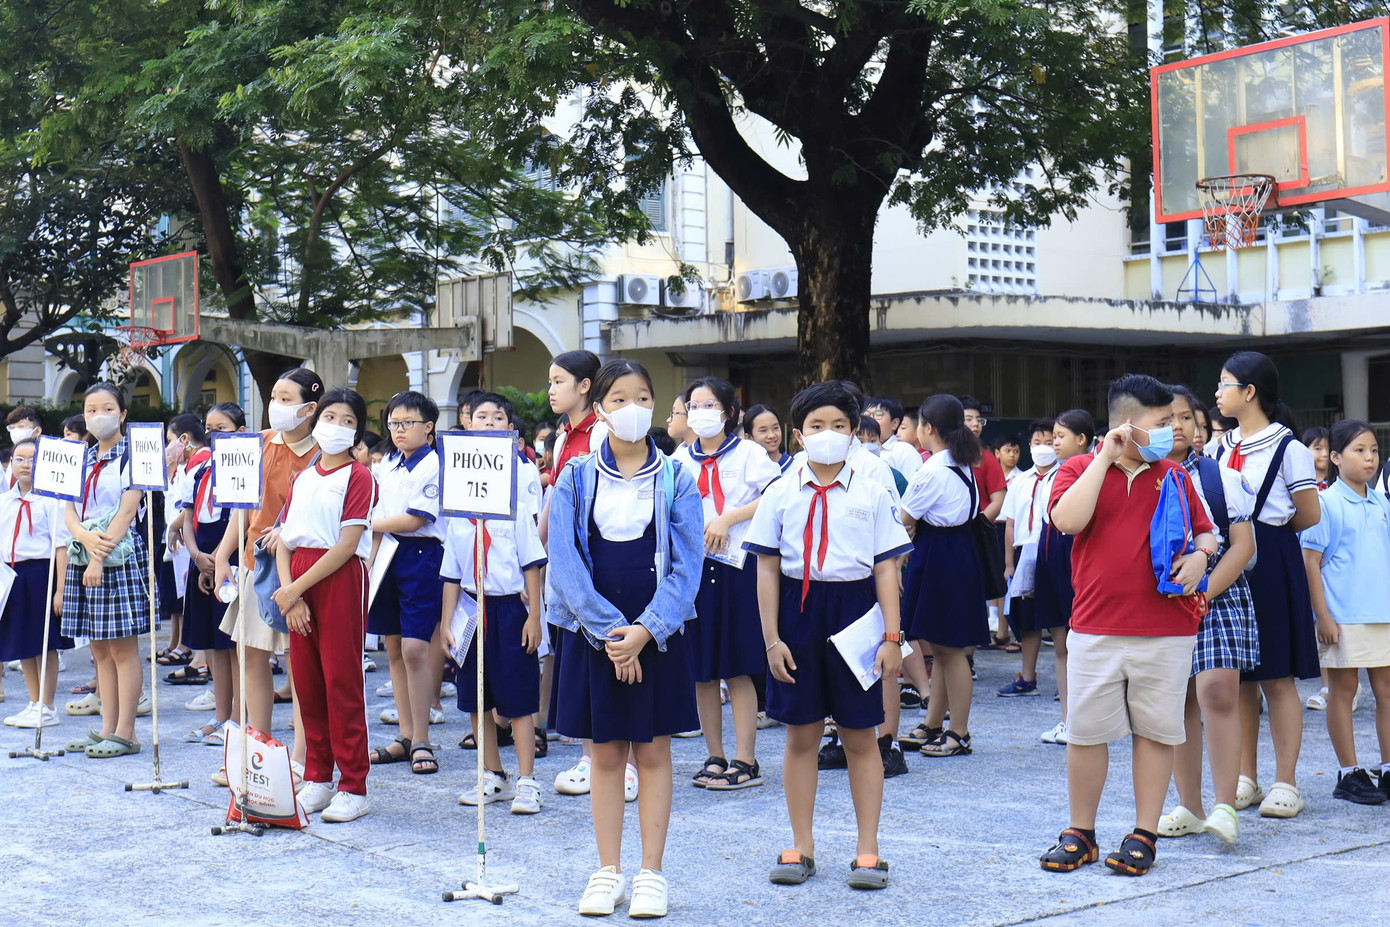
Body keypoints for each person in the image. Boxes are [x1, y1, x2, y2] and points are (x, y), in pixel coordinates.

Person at [1039, 374, 1216, 877]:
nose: (1173, 430)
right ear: (1127, 424)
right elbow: (1067, 521)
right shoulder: (1078, 467)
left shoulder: (1176, 475)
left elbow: (1206, 533)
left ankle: (1144, 834)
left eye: (1176, 420)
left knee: (1156, 733)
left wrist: (1202, 557)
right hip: (1096, 626)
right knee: (1085, 734)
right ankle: (1080, 833)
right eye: (1161, 422)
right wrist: (1103, 459)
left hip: (1167, 628)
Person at [547, 359, 703, 918]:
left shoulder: (678, 477)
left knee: (655, 752)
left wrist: (644, 632)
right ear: (600, 408)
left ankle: (651, 874)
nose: (630, 408)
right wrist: (612, 634)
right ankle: (607, 871)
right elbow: (565, 562)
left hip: (657, 634)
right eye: (618, 399)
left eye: (641, 397)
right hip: (596, 636)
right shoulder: (575, 477)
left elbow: (687, 567)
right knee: (607, 754)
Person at [746, 380, 911, 890]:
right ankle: (801, 844)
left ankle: (868, 849)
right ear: (798, 434)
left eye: (839, 425)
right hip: (797, 612)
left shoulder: (871, 490)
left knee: (861, 735)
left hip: (855, 611)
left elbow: (886, 568)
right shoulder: (780, 491)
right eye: (816, 425)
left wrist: (891, 637)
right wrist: (771, 639)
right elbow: (767, 567)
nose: (828, 433)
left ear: (854, 431)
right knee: (801, 734)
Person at [1211, 350, 1320, 819]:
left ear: (1250, 391)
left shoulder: (1288, 447)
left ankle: (1286, 782)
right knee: (1239, 678)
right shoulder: (1218, 447)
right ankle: (1245, 777)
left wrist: (1267, 539)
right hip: (1229, 558)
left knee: (1277, 677)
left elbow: (1309, 513)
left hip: (1273, 559)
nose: (1217, 393)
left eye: (1225, 383)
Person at [1158, 385, 1259, 845]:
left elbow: (1243, 546)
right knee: (1177, 702)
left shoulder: (1222, 479)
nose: (1177, 426)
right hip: (1162, 600)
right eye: (1166, 420)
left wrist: (1203, 592)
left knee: (1218, 691)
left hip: (1218, 593)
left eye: (1185, 418)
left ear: (1199, 425)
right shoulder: (1136, 479)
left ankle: (1224, 806)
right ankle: (1190, 806)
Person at [273, 386, 378, 824]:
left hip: (338, 577)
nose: (337, 426)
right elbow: (283, 539)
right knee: (308, 682)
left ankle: (354, 784)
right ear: (316, 422)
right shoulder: (303, 476)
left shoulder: (359, 477)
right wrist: (290, 593)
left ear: (357, 432)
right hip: (298, 576)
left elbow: (347, 544)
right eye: (330, 417)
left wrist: (295, 589)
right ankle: (318, 775)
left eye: (348, 421)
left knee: (341, 681)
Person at [671, 376, 782, 791]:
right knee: (702, 671)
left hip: (738, 566)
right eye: (693, 406)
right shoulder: (679, 460)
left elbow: (775, 494)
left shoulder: (750, 453)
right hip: (696, 570)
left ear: (729, 412)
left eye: (709, 405)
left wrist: (728, 518)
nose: (700, 413)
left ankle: (746, 759)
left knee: (737, 667)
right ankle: (715, 755)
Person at [446, 391, 549, 814]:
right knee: (476, 698)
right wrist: (445, 623)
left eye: (498, 417)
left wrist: (534, 615)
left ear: (510, 429)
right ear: (467, 424)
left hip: (509, 610)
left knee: (518, 697)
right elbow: (452, 572)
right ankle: (493, 774)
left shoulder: (517, 502)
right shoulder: (457, 509)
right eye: (481, 416)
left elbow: (532, 563)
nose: (489, 423)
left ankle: (527, 780)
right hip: (471, 610)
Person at [213, 367, 322, 761]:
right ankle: (258, 753)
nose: (276, 405)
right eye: (274, 397)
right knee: (250, 655)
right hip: (254, 563)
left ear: (310, 408)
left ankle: (302, 759)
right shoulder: (255, 443)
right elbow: (240, 508)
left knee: (300, 663)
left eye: (286, 399)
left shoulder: (322, 454)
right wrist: (223, 556)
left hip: (300, 571)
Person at [59, 383, 152, 759]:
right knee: (98, 648)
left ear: (123, 414)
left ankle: (126, 731)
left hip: (118, 554)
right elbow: (68, 509)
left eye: (108, 408)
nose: (99, 416)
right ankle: (106, 728)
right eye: (92, 410)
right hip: (84, 551)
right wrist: (83, 538)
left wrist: (99, 555)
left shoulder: (136, 454)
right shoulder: (78, 458)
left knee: (122, 647)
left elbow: (128, 510)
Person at [1301, 419, 1390, 805]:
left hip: (1382, 613)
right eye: (1360, 450)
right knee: (1343, 690)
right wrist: (1323, 616)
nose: (1370, 458)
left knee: (1387, 690)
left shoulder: (1382, 503)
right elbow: (1310, 562)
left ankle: (1387, 767)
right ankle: (1349, 772)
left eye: (1374, 450)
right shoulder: (1325, 503)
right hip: (1342, 615)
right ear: (1335, 458)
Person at [898, 395, 990, 758]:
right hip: (955, 554)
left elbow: (904, 519)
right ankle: (933, 723)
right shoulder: (959, 461)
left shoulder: (933, 469)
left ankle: (959, 732)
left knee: (950, 651)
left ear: (928, 428)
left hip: (941, 557)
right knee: (941, 646)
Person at [366, 391, 445, 775]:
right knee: (394, 647)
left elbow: (415, 520)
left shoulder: (434, 464)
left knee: (415, 648)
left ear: (428, 428)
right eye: (394, 423)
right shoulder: (388, 464)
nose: (398, 430)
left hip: (421, 556)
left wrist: (367, 525)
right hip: (387, 555)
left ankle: (423, 738)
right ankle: (406, 735)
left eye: (407, 423)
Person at [178, 404, 246, 746]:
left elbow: (242, 520)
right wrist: (196, 556)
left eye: (223, 428)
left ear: (241, 431)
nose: (214, 435)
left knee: (233, 644)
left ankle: (239, 718)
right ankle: (220, 715)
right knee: (214, 645)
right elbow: (188, 518)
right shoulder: (201, 470)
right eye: (210, 428)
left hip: (231, 561)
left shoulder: (245, 469)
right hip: (202, 560)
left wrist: (218, 559)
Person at [1034, 410, 1096, 745]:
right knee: (1060, 640)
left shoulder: (1095, 470)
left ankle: (1086, 722)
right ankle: (1068, 719)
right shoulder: (1050, 475)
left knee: (1082, 641)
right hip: (1050, 556)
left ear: (1082, 439)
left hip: (1075, 558)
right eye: (1052, 437)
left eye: (1060, 436)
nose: (1053, 443)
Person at [0, 438, 70, 728]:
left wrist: (60, 590)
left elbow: (61, 546)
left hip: (41, 574)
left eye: (32, 459)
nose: (25, 465)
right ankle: (34, 701)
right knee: (23, 643)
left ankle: (48, 705)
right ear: (11, 463)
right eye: (19, 459)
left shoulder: (51, 500)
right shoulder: (4, 501)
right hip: (12, 576)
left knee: (44, 642)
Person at [998, 419, 1058, 698]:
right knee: (1027, 620)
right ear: (1029, 446)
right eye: (1037, 442)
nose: (1043, 448)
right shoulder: (1020, 481)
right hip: (1024, 554)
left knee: (1060, 619)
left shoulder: (1064, 477)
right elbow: (1010, 523)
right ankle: (1027, 677)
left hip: (1053, 551)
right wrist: (1009, 563)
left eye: (1050, 442)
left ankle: (1067, 684)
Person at [156, 413, 209, 668]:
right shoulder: (190, 464)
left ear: (184, 439)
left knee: (199, 601)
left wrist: (175, 527)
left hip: (201, 540)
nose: (168, 447)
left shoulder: (202, 462)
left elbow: (192, 506)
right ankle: (199, 657)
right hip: (189, 539)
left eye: (170, 440)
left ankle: (201, 660)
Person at [864, 396, 924, 479]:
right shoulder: (856, 447)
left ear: (894, 423)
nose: (871, 419)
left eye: (878, 414)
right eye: (866, 415)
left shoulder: (904, 451)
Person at [744, 403, 793, 473]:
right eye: (763, 430)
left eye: (775, 428)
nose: (772, 435)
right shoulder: (744, 471)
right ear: (748, 437)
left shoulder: (795, 467)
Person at [1302, 426, 1331, 490]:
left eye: (1329, 449)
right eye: (1318, 449)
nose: (1325, 454)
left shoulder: (1341, 483)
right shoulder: (1301, 483)